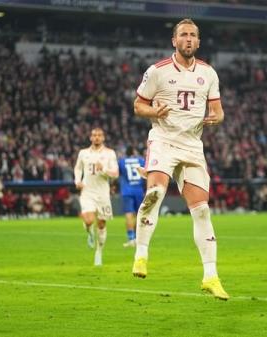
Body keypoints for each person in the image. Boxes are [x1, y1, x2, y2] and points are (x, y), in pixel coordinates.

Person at [131, 18, 229, 300]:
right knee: (156, 192)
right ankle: (141, 255)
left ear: (198, 41)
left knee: (201, 211)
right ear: (174, 41)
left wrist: (216, 118)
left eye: (193, 35)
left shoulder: (209, 74)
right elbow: (138, 105)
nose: (188, 39)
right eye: (183, 35)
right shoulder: (157, 72)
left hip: (192, 146)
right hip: (163, 140)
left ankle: (210, 276)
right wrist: (154, 113)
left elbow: (219, 111)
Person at [74, 128, 119, 266]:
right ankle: (89, 233)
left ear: (103, 138)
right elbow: (78, 168)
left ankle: (99, 252)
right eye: (94, 135)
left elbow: (115, 173)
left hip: (103, 194)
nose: (97, 137)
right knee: (88, 220)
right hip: (87, 192)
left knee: (101, 224)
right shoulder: (83, 153)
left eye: (99, 135)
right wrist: (77, 180)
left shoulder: (110, 153)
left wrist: (104, 169)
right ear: (90, 138)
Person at [118, 147, 146, 248]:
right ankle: (138, 238)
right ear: (133, 152)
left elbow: (118, 174)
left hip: (127, 190)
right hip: (139, 190)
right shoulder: (141, 160)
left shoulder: (121, 161)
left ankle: (131, 239)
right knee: (139, 215)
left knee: (129, 214)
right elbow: (146, 173)